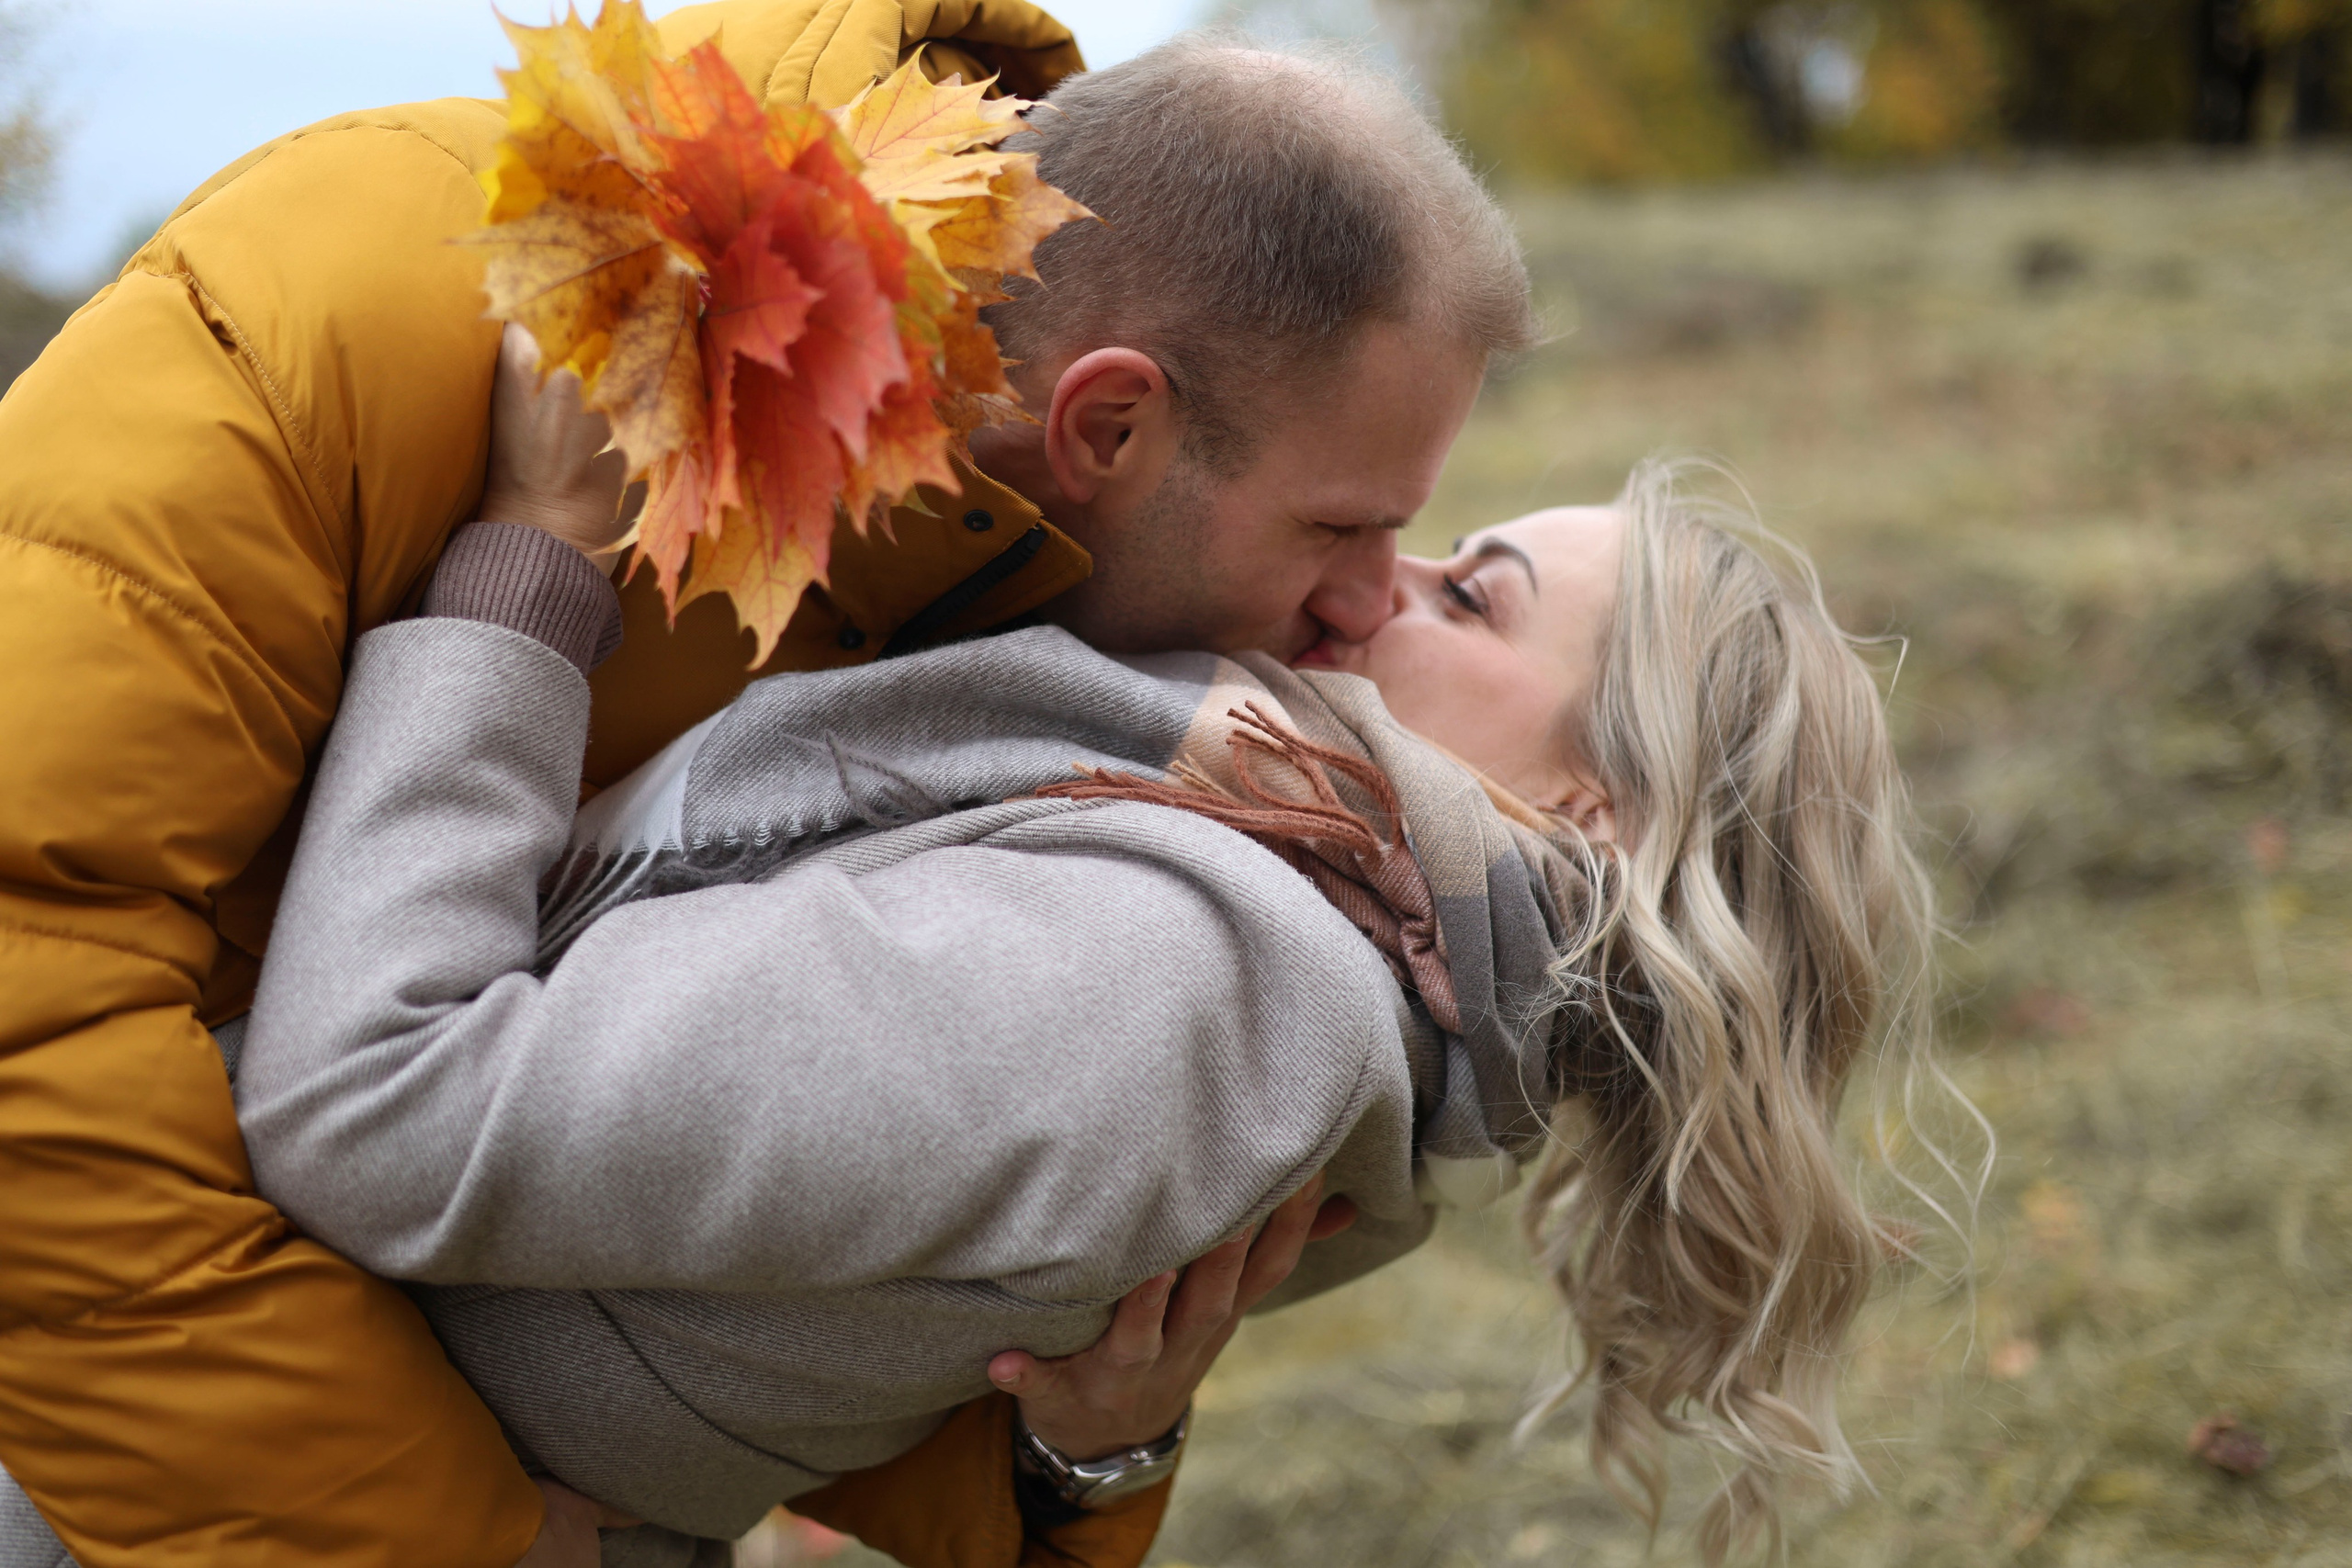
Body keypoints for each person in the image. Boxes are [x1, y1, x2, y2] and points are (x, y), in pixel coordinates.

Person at [0, 15, 1528, 1567]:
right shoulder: (330, 318)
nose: (1364, 605)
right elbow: (28, 1024)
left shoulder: (1029, 583)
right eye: (1344, 528)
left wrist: (1090, 1452)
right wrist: (430, 1533)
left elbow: (808, 1267)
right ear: (1110, 424)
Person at [158, 310, 1927, 1563]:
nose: (1385, 584)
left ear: (1597, 814)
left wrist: (529, 571)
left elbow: (382, 1105)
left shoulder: (1190, 989)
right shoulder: (1301, 944)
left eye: (1475, 598)